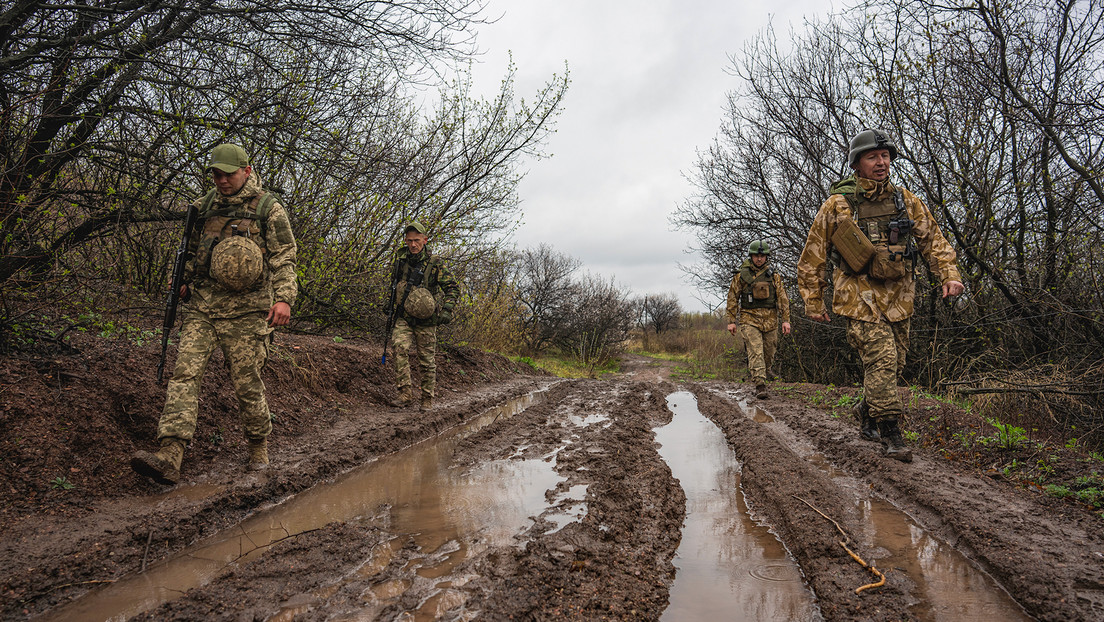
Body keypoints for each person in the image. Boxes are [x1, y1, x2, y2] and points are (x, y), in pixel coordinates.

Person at [132, 143, 298, 484]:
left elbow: (284, 257)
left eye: (228, 173)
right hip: (205, 306)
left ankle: (257, 447)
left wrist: (284, 299)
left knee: (246, 380)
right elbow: (191, 253)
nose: (221, 180)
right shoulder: (203, 208)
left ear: (247, 171)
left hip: (250, 310)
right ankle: (170, 454)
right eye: (216, 174)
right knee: (184, 375)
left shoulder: (269, 208)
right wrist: (184, 281)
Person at [797, 129, 964, 462]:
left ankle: (868, 411)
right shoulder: (837, 205)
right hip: (858, 298)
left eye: (885, 156)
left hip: (899, 297)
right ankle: (891, 434)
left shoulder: (905, 200)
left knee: (895, 363)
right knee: (882, 359)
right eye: (873, 157)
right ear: (857, 164)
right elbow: (813, 256)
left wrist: (949, 274)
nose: (881, 162)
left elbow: (934, 240)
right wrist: (813, 302)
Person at [387, 221, 460, 411]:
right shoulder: (400, 260)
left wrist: (447, 309)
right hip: (404, 316)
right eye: (409, 240)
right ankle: (405, 394)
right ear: (405, 240)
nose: (413, 245)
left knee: (426, 360)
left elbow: (452, 287)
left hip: (427, 320)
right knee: (399, 347)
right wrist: (388, 304)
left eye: (417, 240)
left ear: (425, 240)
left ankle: (427, 399)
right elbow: (395, 284)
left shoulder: (434, 263)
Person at [726, 240, 791, 400]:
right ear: (751, 256)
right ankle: (760, 385)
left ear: (766, 257)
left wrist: (786, 320)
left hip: (770, 319)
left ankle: (764, 370)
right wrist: (731, 320)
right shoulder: (741, 276)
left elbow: (782, 298)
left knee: (769, 351)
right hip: (749, 318)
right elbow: (733, 297)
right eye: (756, 256)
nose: (759, 259)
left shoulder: (774, 276)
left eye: (762, 256)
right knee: (756, 351)